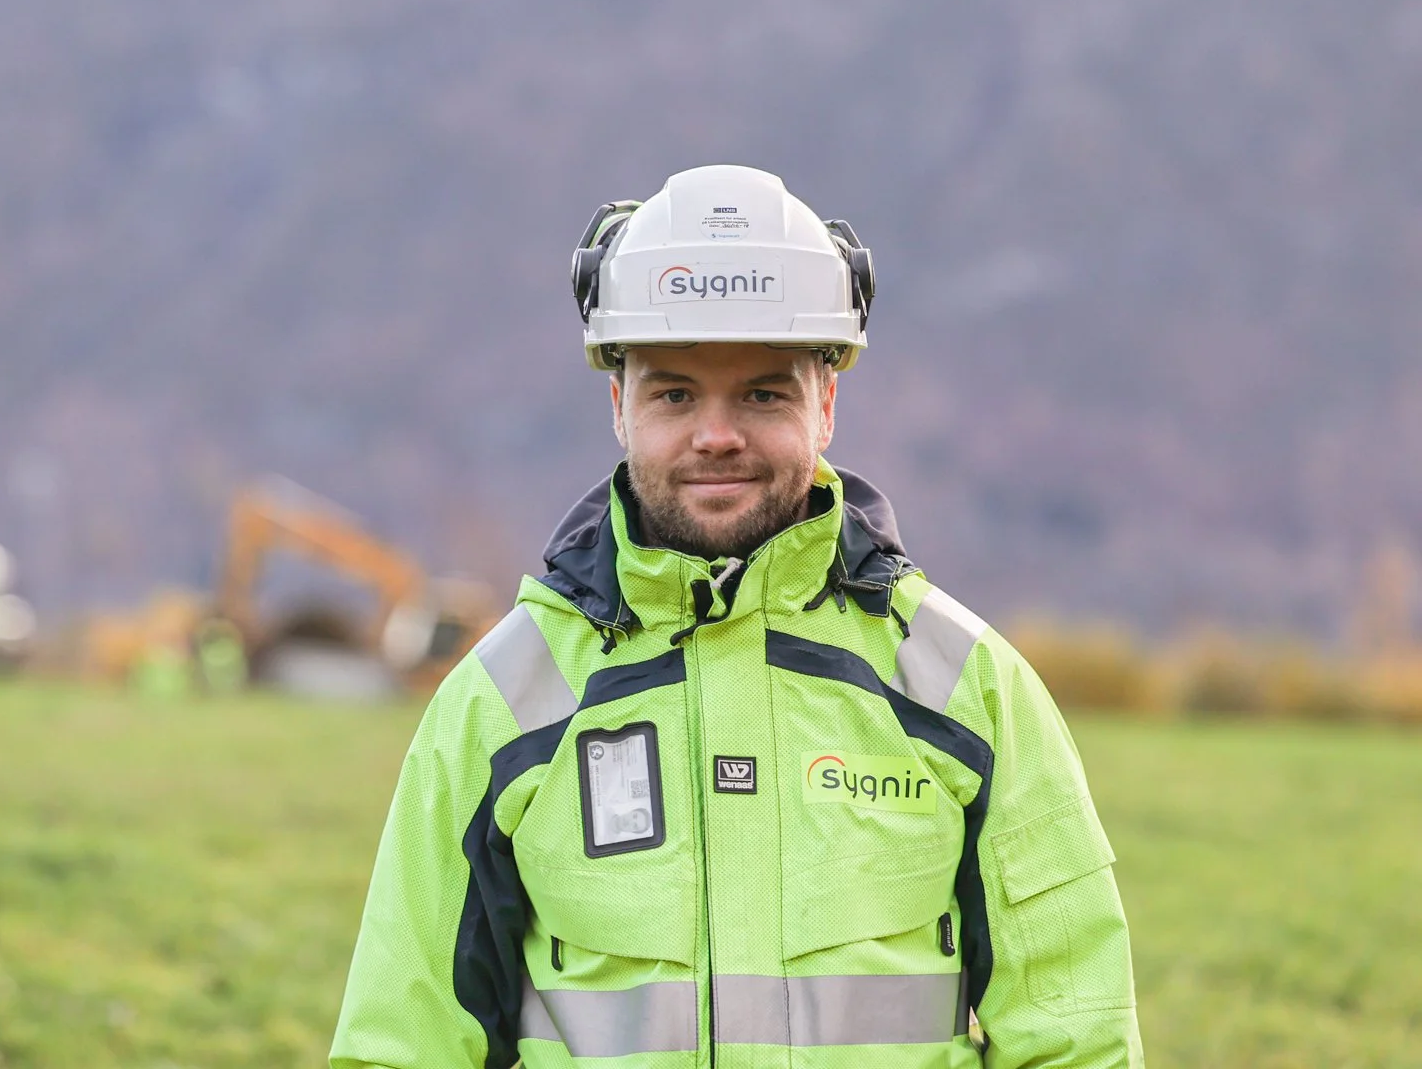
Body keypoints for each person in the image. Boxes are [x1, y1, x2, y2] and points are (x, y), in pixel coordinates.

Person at [330, 165, 1141, 1068]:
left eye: (763, 392)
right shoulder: (500, 704)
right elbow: (402, 1045)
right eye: (675, 393)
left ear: (825, 403)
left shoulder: (966, 690)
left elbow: (1077, 1036)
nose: (717, 434)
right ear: (619, 406)